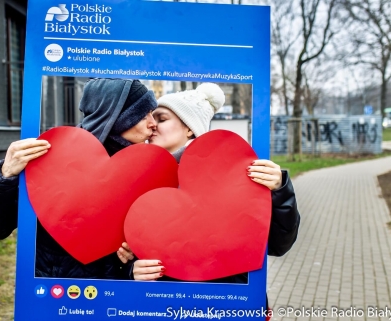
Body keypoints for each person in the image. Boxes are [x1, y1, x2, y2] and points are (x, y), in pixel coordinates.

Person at [118, 83, 300, 283]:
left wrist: (279, 191)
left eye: (161, 118)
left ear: (189, 128)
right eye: (151, 118)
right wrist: (130, 269)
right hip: (166, 304)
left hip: (225, 302)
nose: (152, 125)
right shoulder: (140, 176)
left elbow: (277, 244)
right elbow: (129, 248)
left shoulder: (232, 172)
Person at [0, 78, 154, 279]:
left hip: (112, 300)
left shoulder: (145, 171)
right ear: (117, 115)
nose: (152, 123)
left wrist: (131, 263)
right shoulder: (51, 157)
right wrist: (6, 174)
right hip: (56, 297)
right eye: (143, 114)